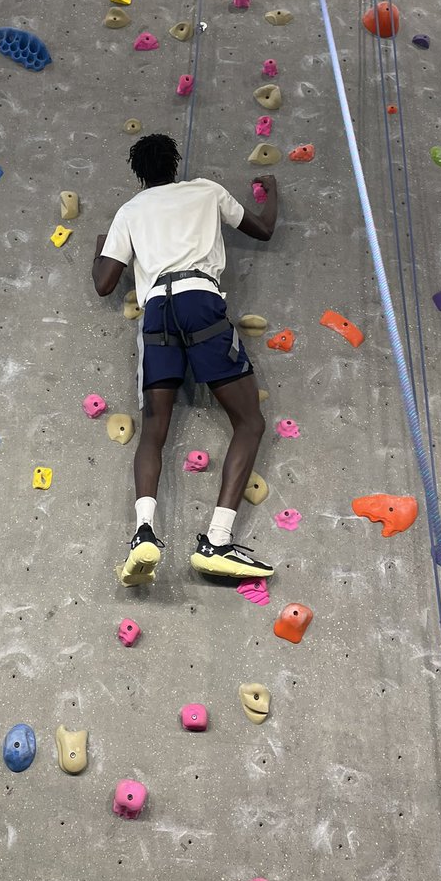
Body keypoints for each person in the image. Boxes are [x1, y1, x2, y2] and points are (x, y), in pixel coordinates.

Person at [92, 132, 279, 586]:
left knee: (154, 430)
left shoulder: (130, 211)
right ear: (174, 164)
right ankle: (217, 540)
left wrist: (99, 245)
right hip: (200, 297)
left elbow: (103, 281)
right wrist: (273, 193)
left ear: (139, 174)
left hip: (157, 307)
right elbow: (261, 227)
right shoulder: (205, 190)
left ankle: (143, 534)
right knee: (249, 422)